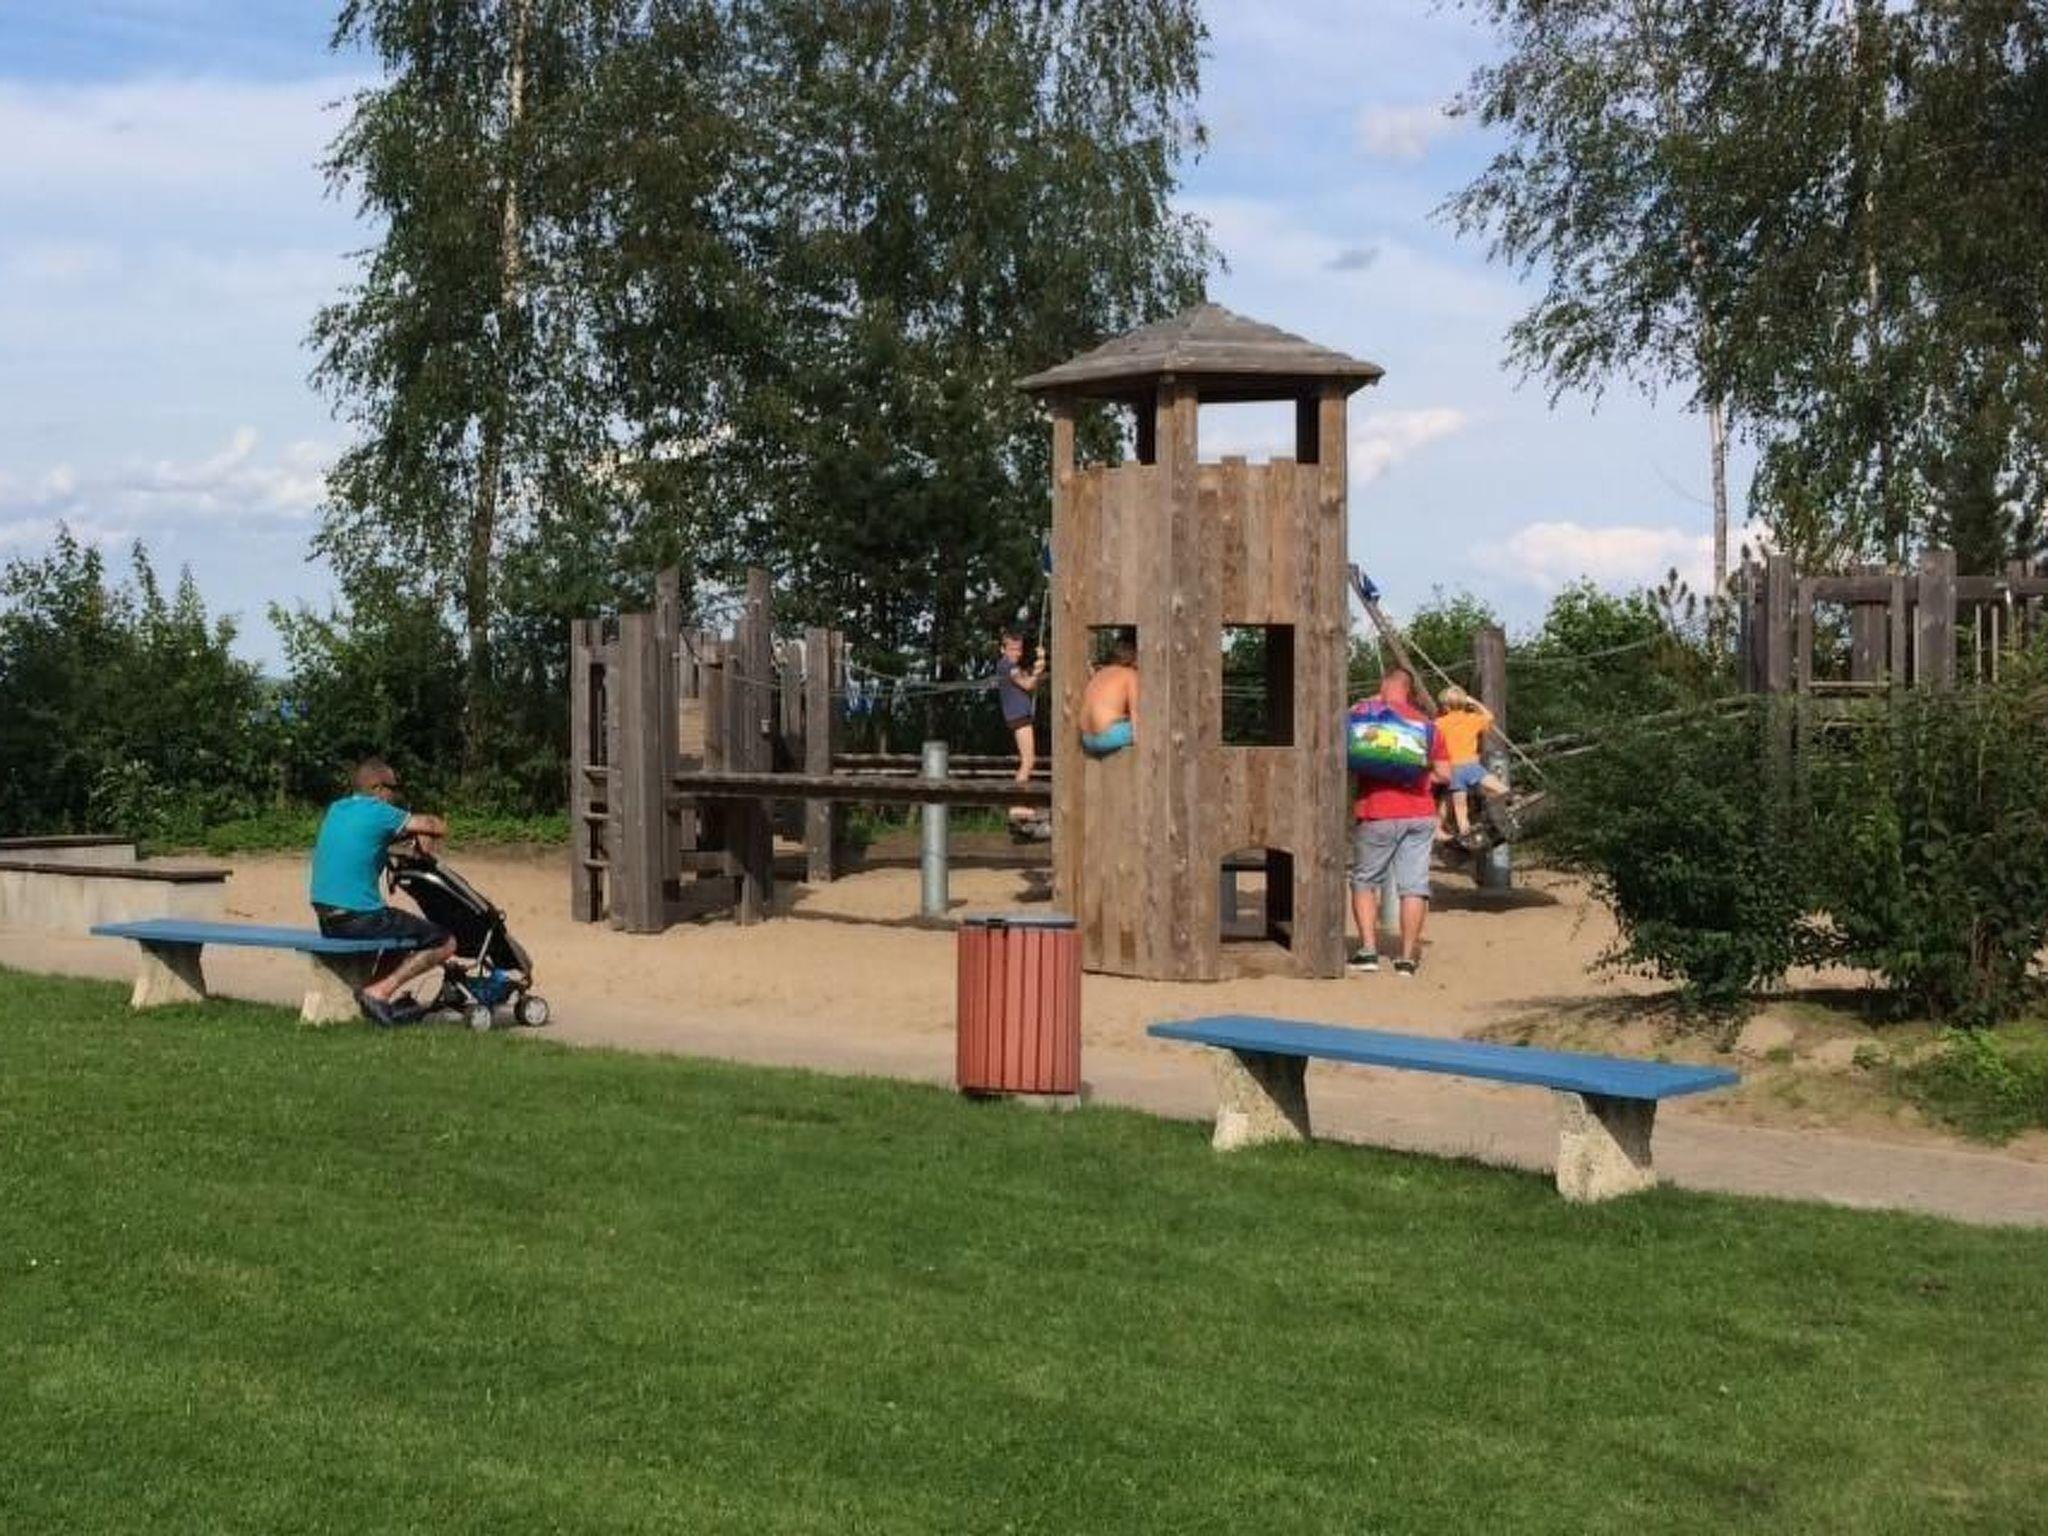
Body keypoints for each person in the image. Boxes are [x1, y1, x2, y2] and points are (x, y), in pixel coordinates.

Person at [308, 757, 457, 1025]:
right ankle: (378, 992)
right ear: (377, 788)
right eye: (393, 788)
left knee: (399, 933)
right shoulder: (378, 811)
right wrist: (428, 831)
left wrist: (409, 835)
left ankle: (373, 995)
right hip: (358, 918)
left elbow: (371, 839)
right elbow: (436, 825)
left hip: (327, 919)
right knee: (445, 941)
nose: (395, 795)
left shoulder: (337, 809)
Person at [1347, 666, 1449, 976]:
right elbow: (1445, 774)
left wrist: (1367, 703)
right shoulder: (1428, 726)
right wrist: (1418, 779)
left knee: (1365, 881)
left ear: (1384, 685)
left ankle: (1368, 951)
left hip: (1376, 811)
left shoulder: (1364, 715)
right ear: (1411, 691)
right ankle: (1406, 959)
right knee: (1414, 886)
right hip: (1420, 814)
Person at [1434, 684, 1511, 849]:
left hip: (1454, 769)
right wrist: (1474, 702)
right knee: (1501, 789)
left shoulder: (1440, 723)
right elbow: (1489, 717)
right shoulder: (1472, 719)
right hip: (1472, 766)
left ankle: (1468, 840)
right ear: (1464, 703)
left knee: (1460, 809)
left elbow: (1430, 736)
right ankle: (1505, 813)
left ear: (1445, 706)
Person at [996, 628, 1047, 828]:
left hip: (1020, 716)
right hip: (1018, 717)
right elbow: (1028, 685)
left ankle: (1019, 803)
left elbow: (1029, 681)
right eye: (1012, 649)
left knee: (1027, 760)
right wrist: (1039, 670)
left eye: (1019, 649)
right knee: (1028, 761)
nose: (1016, 653)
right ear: (1003, 649)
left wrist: (1038, 667)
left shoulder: (1012, 667)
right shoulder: (1008, 667)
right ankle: (1016, 805)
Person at [1079, 635, 1138, 757]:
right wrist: (1139, 745)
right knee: (1153, 725)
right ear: (1135, 658)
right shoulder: (1129, 674)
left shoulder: (1100, 673)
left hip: (1087, 739)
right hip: (1107, 737)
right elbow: (1135, 711)